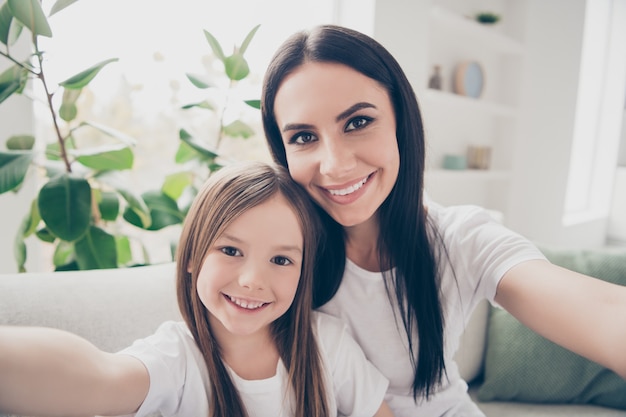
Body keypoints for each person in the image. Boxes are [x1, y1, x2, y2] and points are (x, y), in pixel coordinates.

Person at [261, 24, 626, 417]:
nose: (335, 165)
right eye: (303, 137)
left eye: (357, 122)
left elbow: (604, 311)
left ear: (401, 121)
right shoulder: (276, 248)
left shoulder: (462, 238)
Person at [0, 161, 394, 417]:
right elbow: (98, 378)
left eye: (281, 260)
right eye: (230, 250)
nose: (253, 280)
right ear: (191, 257)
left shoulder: (326, 343)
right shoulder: (177, 359)